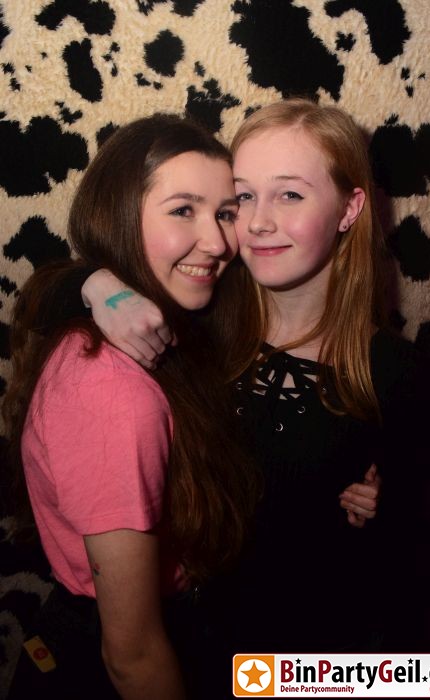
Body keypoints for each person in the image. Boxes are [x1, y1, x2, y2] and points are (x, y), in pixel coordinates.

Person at [71, 99, 430, 675]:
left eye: (289, 194)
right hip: (180, 658)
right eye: (244, 197)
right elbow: (50, 292)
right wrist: (97, 286)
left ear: (349, 208)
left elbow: (403, 587)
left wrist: (382, 520)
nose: (259, 222)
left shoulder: (397, 374)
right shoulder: (197, 316)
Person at [2, 113, 264, 700]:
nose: (218, 242)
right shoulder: (112, 391)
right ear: (120, 213)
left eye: (226, 213)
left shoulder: (166, 325)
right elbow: (133, 657)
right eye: (183, 209)